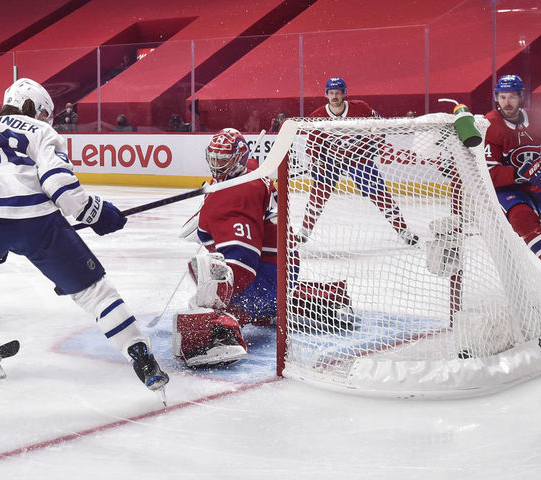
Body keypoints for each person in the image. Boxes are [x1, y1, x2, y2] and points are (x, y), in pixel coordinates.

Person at [0, 78, 169, 394]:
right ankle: (141, 356)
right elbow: (61, 189)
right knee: (94, 293)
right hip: (36, 222)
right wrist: (96, 212)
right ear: (41, 110)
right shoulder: (42, 131)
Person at [173, 128, 354, 368]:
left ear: (236, 160)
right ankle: (312, 301)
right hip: (283, 271)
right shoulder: (249, 173)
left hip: (267, 276)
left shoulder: (238, 193)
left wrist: (218, 301)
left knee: (208, 280)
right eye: (214, 159)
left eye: (223, 160)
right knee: (212, 277)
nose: (216, 166)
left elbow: (242, 263)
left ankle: (223, 335)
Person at [298, 77, 418, 245]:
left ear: (344, 94)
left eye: (338, 93)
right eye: (331, 93)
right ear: (326, 95)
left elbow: (381, 123)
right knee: (318, 195)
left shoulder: (361, 108)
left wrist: (376, 144)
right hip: (332, 161)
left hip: (359, 159)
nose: (335, 96)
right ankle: (304, 231)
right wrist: (317, 160)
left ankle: (403, 230)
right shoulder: (317, 116)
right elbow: (313, 143)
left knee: (381, 195)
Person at [484, 74, 541, 262]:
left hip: (538, 185)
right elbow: (489, 173)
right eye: (502, 97)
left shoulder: (537, 118)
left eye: (512, 96)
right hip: (509, 191)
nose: (507, 102)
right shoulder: (490, 124)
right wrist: (519, 173)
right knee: (521, 218)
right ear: (496, 98)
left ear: (521, 97)